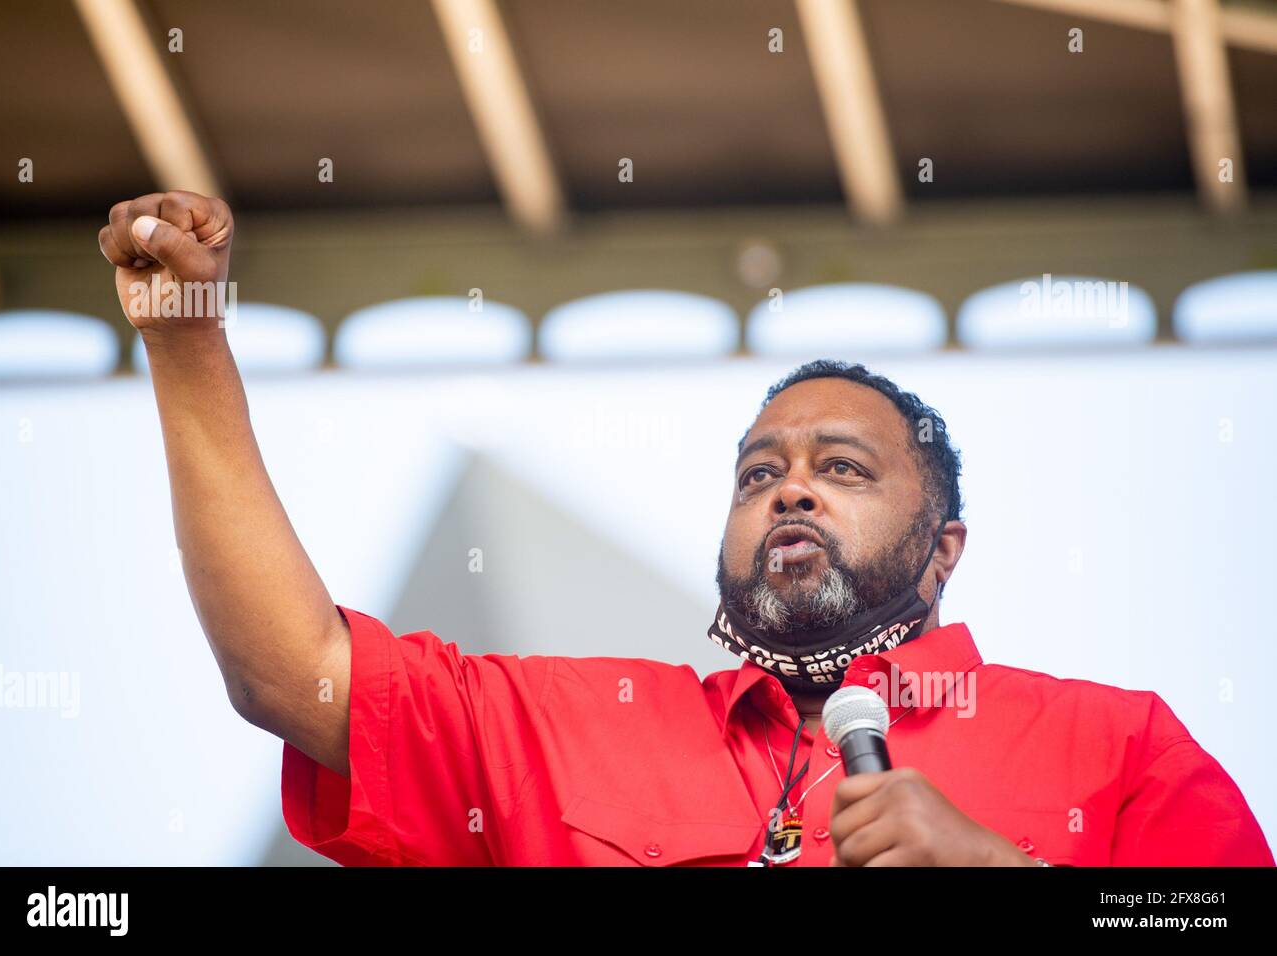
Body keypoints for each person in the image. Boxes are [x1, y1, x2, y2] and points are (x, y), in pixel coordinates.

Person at [98, 191, 1275, 867]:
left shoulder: (1116, 746)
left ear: (944, 548)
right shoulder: (565, 725)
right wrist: (186, 336)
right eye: (758, 471)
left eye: (843, 468)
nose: (790, 489)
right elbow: (290, 673)